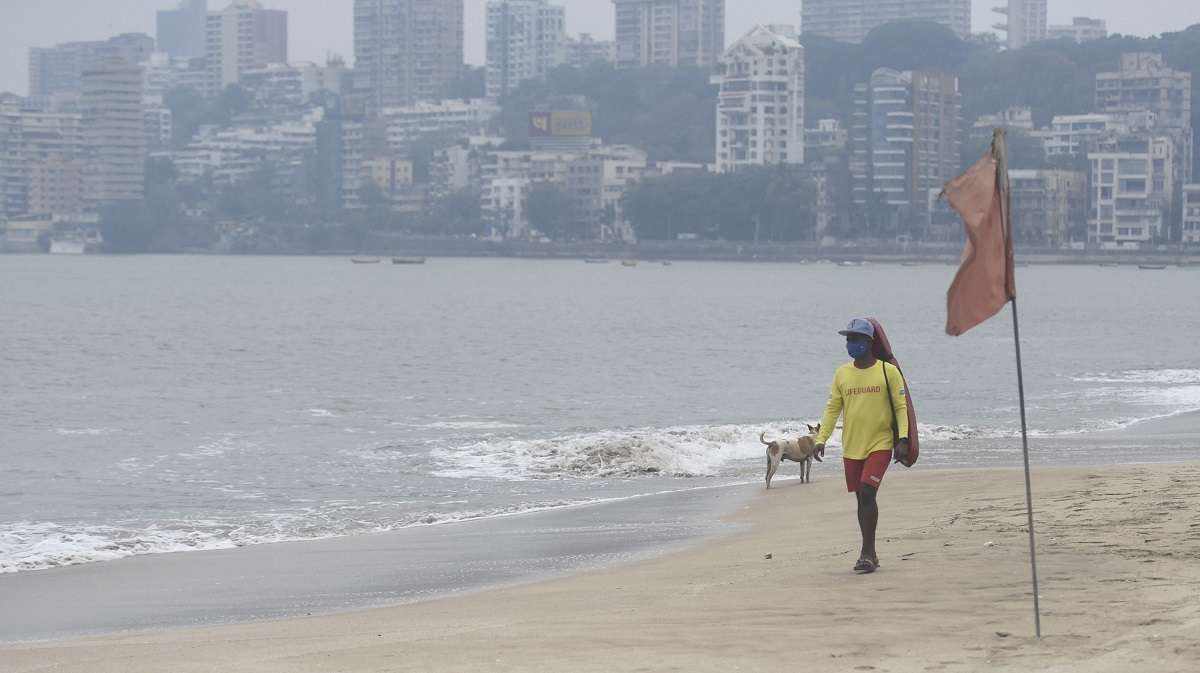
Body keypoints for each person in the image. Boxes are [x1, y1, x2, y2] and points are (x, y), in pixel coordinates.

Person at [813, 318, 910, 575]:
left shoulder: (887, 371)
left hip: (880, 443)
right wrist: (821, 439)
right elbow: (833, 408)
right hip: (852, 445)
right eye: (848, 339)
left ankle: (866, 553)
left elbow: (901, 407)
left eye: (855, 339)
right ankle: (872, 552)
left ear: (868, 342)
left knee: (867, 492)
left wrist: (903, 439)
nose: (850, 343)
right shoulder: (842, 373)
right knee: (862, 498)